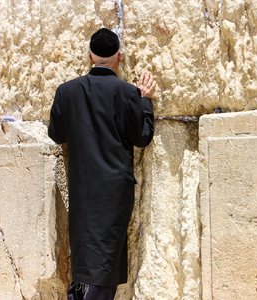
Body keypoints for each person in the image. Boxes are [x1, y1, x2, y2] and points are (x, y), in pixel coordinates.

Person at [48, 28, 157, 300]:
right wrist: (145, 100)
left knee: (86, 254)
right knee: (105, 258)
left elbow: (56, 133)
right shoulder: (128, 93)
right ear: (118, 58)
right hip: (115, 192)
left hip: (83, 190)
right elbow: (142, 137)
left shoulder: (66, 91)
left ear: (90, 57)